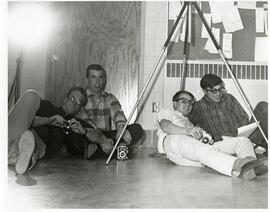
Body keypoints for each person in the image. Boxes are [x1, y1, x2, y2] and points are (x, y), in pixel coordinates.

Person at [155, 90, 265, 180]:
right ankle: (239, 165)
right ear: (175, 103)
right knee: (188, 143)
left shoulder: (190, 123)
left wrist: (222, 142)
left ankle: (250, 164)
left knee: (242, 140)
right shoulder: (167, 112)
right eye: (184, 101)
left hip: (198, 153)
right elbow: (166, 127)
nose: (188, 104)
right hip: (173, 143)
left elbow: (209, 143)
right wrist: (187, 131)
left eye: (190, 102)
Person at [64, 64, 144, 159]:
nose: (97, 81)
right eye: (93, 77)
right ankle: (115, 150)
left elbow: (118, 115)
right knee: (73, 139)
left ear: (104, 80)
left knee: (137, 129)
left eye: (100, 77)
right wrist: (101, 140)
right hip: (88, 135)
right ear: (87, 79)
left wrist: (122, 128)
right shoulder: (81, 97)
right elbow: (86, 123)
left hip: (107, 136)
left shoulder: (109, 98)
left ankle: (101, 151)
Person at [8, 87, 91, 175]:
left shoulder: (77, 124)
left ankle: (17, 154)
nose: (74, 103)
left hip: (37, 143)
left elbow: (98, 135)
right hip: (14, 134)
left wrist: (84, 131)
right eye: (73, 98)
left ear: (81, 108)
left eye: (79, 102)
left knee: (30, 137)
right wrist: (47, 120)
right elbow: (24, 120)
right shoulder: (46, 105)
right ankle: (13, 151)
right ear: (65, 98)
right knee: (32, 94)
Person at [189, 74, 268, 154]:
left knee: (263, 106)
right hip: (223, 145)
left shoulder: (228, 98)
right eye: (214, 91)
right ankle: (256, 147)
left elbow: (243, 117)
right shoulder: (197, 107)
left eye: (220, 89)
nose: (218, 94)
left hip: (241, 137)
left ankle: (253, 145)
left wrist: (239, 132)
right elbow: (187, 124)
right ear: (205, 91)